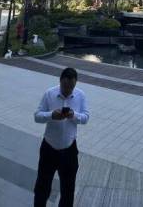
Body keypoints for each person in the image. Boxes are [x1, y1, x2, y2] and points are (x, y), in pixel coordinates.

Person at [33, 67, 89, 207]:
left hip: (69, 150)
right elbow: (37, 116)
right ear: (60, 81)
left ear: (75, 84)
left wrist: (73, 115)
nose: (68, 90)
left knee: (68, 190)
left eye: (71, 87)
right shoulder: (49, 94)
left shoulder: (80, 95)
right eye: (65, 86)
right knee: (42, 187)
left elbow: (86, 117)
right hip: (49, 148)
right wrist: (51, 115)